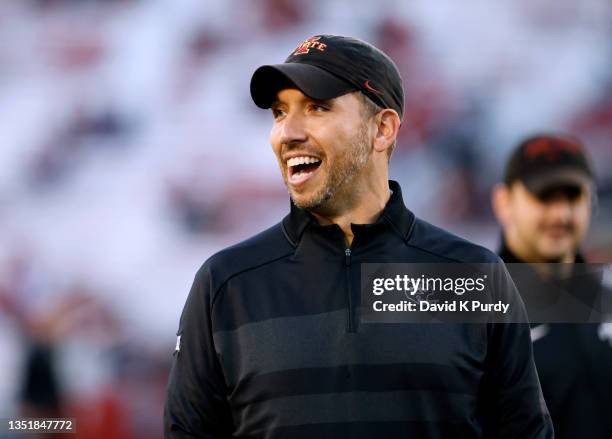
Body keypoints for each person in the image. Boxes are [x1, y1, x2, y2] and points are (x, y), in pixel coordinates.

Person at [164, 34, 553, 438]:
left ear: (382, 129)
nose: (288, 132)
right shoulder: (225, 284)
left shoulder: (474, 276)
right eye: (280, 112)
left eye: (317, 107)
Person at [491, 134, 612, 438]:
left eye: (572, 196)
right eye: (544, 197)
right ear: (503, 202)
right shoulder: (475, 315)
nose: (561, 214)